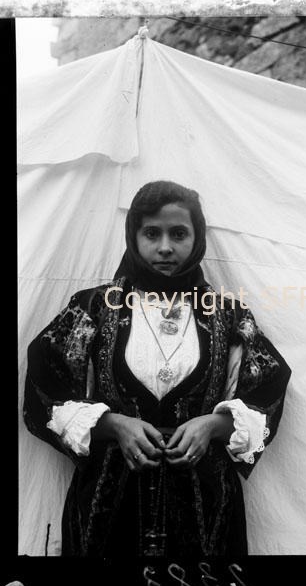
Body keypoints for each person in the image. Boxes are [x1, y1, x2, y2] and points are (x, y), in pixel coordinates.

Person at [23, 180, 291, 558]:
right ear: (133, 237)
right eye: (151, 233)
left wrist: (214, 425)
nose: (165, 247)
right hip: (107, 504)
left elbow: (268, 387)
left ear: (197, 238)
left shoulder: (228, 314)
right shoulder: (94, 308)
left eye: (178, 234)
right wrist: (112, 424)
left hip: (205, 506)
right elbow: (44, 386)